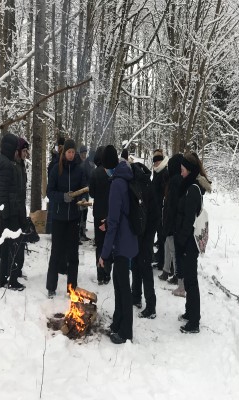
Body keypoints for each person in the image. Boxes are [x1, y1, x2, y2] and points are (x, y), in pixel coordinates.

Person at [98, 145, 138, 344]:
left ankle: (125, 332)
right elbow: (119, 215)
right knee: (119, 283)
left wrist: (104, 254)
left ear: (107, 165)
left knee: (123, 287)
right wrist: (109, 222)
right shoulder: (124, 177)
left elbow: (114, 223)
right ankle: (117, 322)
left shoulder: (116, 184)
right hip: (128, 237)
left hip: (122, 242)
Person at [174, 151, 211, 334]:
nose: (180, 173)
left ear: (189, 170)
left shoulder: (193, 190)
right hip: (186, 241)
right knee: (189, 280)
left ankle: (194, 322)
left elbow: (188, 219)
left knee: (191, 281)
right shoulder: (190, 186)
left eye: (182, 170)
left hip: (189, 243)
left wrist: (180, 241)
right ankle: (190, 313)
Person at [46, 139, 87, 297]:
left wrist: (82, 199)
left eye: (72, 152)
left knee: (73, 254)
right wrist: (63, 197)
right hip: (58, 217)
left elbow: (83, 189)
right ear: (64, 153)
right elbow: (50, 192)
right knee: (56, 253)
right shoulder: (57, 169)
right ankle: (51, 286)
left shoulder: (79, 170)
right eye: (68, 152)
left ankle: (72, 287)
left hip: (74, 218)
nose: (70, 154)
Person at [0, 132, 26, 291]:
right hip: (8, 213)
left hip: (6, 212)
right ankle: (11, 279)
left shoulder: (2, 161)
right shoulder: (6, 164)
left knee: (7, 247)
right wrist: (6, 214)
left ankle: (3, 277)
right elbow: (3, 192)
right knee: (12, 246)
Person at [131, 162, 159, 319]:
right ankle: (136, 296)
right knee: (135, 264)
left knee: (145, 267)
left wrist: (147, 235)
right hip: (141, 232)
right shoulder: (144, 182)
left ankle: (151, 306)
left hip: (146, 234)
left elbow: (151, 213)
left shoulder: (142, 185)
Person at [162, 153, 185, 295]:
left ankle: (177, 275)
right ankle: (172, 272)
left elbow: (172, 205)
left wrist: (167, 224)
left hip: (173, 222)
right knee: (170, 247)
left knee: (173, 249)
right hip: (173, 220)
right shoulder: (177, 180)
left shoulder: (175, 182)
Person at [89, 146, 111, 284]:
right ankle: (107, 273)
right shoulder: (111, 172)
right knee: (109, 244)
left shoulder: (94, 173)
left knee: (99, 244)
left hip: (98, 213)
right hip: (110, 213)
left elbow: (91, 193)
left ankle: (99, 274)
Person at [14, 137, 29, 280]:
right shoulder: (14, 165)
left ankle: (18, 269)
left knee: (21, 242)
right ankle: (14, 270)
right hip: (16, 209)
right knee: (16, 243)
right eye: (24, 150)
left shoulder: (22, 165)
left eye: (26, 151)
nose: (26, 153)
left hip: (21, 207)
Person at [151, 148, 169, 270]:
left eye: (156, 161)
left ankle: (162, 261)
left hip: (161, 209)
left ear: (160, 161)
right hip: (156, 208)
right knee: (159, 235)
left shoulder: (164, 172)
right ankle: (160, 258)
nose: (155, 164)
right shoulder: (157, 171)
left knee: (162, 236)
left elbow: (164, 191)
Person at [46, 136, 65, 235]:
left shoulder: (61, 157)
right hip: (53, 188)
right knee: (53, 208)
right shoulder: (55, 158)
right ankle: (51, 230)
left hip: (59, 189)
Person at [79, 145, 93, 242]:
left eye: (85, 153)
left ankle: (82, 232)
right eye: (82, 153)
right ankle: (80, 234)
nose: (84, 155)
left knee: (84, 212)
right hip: (80, 192)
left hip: (86, 191)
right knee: (81, 213)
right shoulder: (81, 165)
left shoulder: (87, 164)